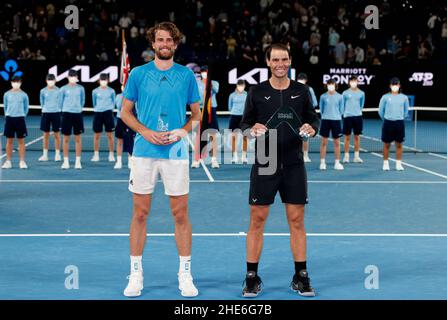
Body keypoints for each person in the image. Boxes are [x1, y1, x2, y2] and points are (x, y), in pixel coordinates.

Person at [120, 22, 201, 298]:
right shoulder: (138, 74)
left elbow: (197, 115)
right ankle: (135, 273)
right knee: (140, 213)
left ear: (175, 44)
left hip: (176, 153)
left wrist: (183, 130)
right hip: (144, 152)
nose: (165, 44)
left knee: (180, 214)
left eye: (170, 40)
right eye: (160, 40)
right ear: (153, 44)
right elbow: (125, 113)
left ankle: (185, 273)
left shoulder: (187, 76)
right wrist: (145, 131)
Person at [240, 43, 320, 298]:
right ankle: (251, 277)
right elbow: (244, 123)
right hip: (266, 161)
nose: (280, 64)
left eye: (284, 59)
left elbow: (313, 118)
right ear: (268, 62)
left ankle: (301, 275)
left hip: (294, 163)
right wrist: (250, 131)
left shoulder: (302, 90)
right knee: (257, 220)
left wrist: (312, 128)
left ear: (290, 61)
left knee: (297, 221)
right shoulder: (256, 91)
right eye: (275, 60)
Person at [191, 65, 220, 169]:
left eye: (206, 72)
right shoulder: (197, 83)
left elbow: (215, 91)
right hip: (201, 110)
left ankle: (214, 160)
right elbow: (196, 97)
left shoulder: (214, 83)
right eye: (203, 72)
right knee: (200, 135)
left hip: (211, 109)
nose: (204, 73)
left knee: (213, 135)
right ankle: (197, 159)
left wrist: (209, 82)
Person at [379, 77, 409, 171]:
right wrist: (387, 118)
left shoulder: (404, 97)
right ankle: (385, 163)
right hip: (388, 123)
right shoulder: (385, 97)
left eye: (396, 84)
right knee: (386, 144)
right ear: (390, 86)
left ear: (399, 86)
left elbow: (406, 111)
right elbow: (381, 111)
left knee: (399, 145)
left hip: (399, 123)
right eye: (393, 84)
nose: (395, 86)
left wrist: (399, 118)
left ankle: (398, 164)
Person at [60, 69, 85, 169]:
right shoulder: (63, 89)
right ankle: (65, 161)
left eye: (74, 76)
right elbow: (60, 102)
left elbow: (82, 100)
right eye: (71, 76)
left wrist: (77, 108)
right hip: (66, 114)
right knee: (65, 139)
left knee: (78, 139)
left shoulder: (81, 88)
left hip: (77, 114)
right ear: (68, 77)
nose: (73, 78)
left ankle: (77, 161)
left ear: (77, 77)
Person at [1, 76, 29, 169]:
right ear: (11, 82)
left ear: (20, 83)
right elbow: (5, 107)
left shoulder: (24, 95)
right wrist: (8, 115)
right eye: (14, 81)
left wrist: (22, 115)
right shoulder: (6, 94)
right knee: (9, 141)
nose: (16, 83)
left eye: (18, 82)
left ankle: (22, 162)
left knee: (21, 141)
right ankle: (8, 162)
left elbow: (26, 108)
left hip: (20, 119)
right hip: (9, 119)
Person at [319, 79, 344, 170]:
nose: (331, 85)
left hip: (336, 121)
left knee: (337, 143)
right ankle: (322, 163)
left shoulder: (340, 97)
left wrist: (335, 116)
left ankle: (337, 163)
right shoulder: (323, 97)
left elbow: (341, 110)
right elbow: (321, 109)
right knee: (323, 142)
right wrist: (326, 115)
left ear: (335, 85)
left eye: (332, 84)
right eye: (329, 84)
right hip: (325, 120)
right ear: (327, 85)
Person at [91, 73, 116, 163]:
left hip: (108, 113)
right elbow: (94, 102)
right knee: (97, 135)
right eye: (102, 80)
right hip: (98, 113)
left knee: (110, 135)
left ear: (108, 81)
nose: (103, 81)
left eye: (105, 80)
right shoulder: (95, 91)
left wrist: (108, 108)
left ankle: (111, 155)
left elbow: (113, 102)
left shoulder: (112, 91)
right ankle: (96, 155)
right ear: (99, 81)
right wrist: (99, 108)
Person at [38, 74, 62, 162]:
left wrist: (57, 109)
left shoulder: (59, 91)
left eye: (52, 80)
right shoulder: (42, 91)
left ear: (55, 81)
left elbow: (60, 102)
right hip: (46, 114)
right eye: (49, 80)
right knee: (45, 135)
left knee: (57, 135)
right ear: (46, 80)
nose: (50, 81)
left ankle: (57, 154)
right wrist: (45, 110)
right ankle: (45, 155)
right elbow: (42, 102)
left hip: (56, 113)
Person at [342, 76, 365, 164]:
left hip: (358, 117)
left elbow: (361, 105)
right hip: (347, 117)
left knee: (357, 137)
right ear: (349, 82)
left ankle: (356, 157)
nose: (353, 82)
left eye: (355, 81)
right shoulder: (345, 93)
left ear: (357, 82)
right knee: (347, 137)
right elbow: (342, 105)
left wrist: (357, 112)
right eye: (352, 81)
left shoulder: (361, 93)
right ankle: (346, 157)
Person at [296, 73, 318, 163]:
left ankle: (305, 155)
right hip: (295, 116)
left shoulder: (310, 89)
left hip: (305, 116)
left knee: (305, 136)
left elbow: (315, 103)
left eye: (302, 80)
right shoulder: (293, 88)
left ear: (306, 81)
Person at [228, 79, 248, 164]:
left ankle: (244, 157)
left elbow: (249, 106)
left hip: (244, 118)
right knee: (234, 137)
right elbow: (229, 107)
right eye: (239, 86)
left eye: (242, 86)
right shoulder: (232, 95)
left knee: (245, 137)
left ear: (244, 86)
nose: (241, 87)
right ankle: (234, 156)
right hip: (234, 117)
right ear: (237, 86)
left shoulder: (247, 95)